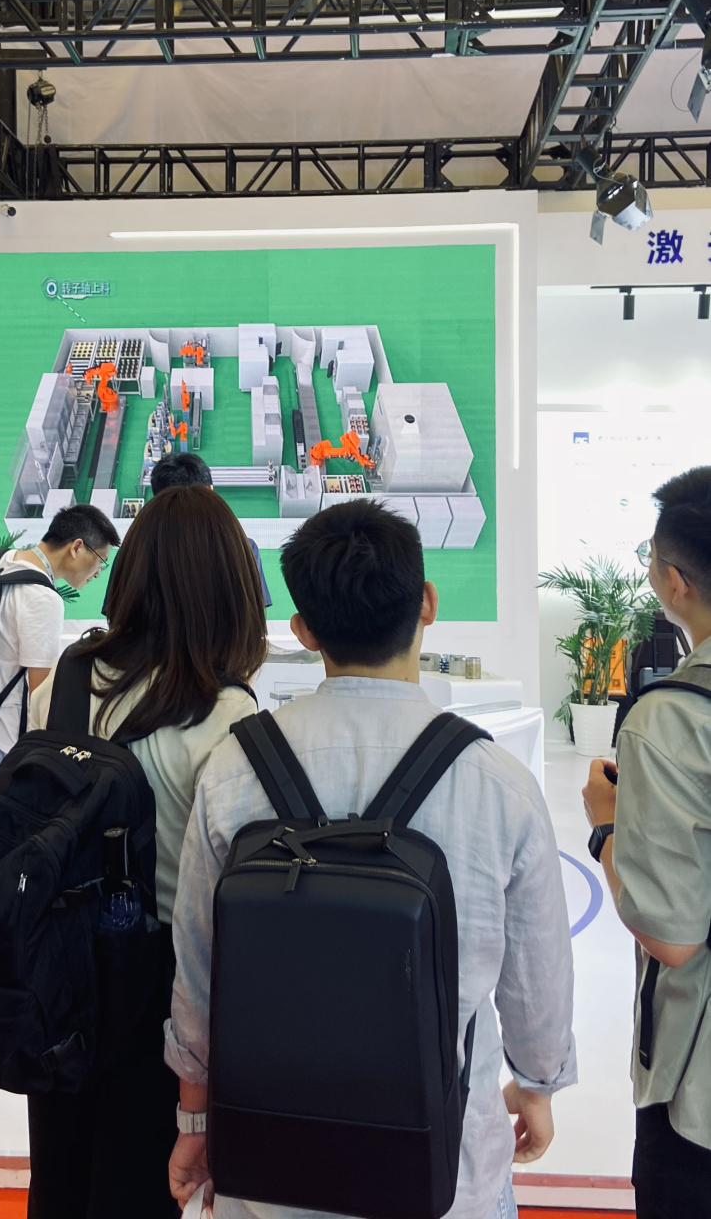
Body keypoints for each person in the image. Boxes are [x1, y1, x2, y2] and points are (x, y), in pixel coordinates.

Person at [167, 500, 577, 1219]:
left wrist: (195, 1118)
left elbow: (198, 969)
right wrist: (538, 1086)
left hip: (271, 1159)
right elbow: (536, 977)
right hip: (442, 1162)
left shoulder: (234, 768)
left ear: (302, 630)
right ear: (427, 604)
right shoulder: (497, 782)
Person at [27, 486, 268, 1219]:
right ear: (231, 588)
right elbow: (231, 894)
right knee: (142, 1180)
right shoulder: (225, 711)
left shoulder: (67, 677)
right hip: (162, 984)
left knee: (62, 1174)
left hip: (61, 975)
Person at [583, 466, 711, 1219]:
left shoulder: (671, 720)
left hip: (698, 1096)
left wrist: (605, 826)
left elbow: (672, 937)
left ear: (673, 581)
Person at [0, 504, 119, 802]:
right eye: (100, 561)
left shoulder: (0, 562)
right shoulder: (42, 597)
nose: (97, 574)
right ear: (77, 547)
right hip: (1, 745)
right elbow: (40, 693)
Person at [103, 453, 272, 614]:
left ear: (156, 498)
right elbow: (255, 612)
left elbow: (115, 614)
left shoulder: (131, 552)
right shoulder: (244, 547)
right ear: (210, 490)